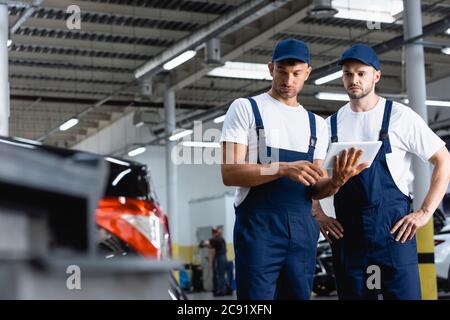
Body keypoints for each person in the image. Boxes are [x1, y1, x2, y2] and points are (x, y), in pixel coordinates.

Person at [220, 38, 367, 300]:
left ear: (307, 73)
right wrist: (282, 169)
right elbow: (230, 173)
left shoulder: (317, 125)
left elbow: (316, 189)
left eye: (297, 73)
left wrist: (336, 181)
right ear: (270, 69)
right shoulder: (246, 109)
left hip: (302, 234)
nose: (289, 80)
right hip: (259, 231)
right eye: (282, 72)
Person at [314, 44, 450, 300]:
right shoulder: (328, 126)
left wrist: (424, 212)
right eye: (347, 74)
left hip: (393, 236)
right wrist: (318, 214)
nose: (354, 80)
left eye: (361, 73)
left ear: (376, 75)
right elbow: (310, 177)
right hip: (349, 239)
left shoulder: (400, 117)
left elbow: (443, 159)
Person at [209, 227, 228, 296]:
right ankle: (224, 290)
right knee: (222, 275)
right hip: (225, 257)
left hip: (219, 259)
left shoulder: (214, 240)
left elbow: (213, 252)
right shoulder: (222, 239)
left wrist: (210, 262)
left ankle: (220, 291)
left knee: (219, 275)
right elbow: (226, 249)